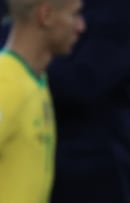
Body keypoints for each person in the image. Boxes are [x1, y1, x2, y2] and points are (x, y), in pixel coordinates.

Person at [46, 0, 130, 202]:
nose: (79, 26)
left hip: (92, 166)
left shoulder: (119, 9)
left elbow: (85, 82)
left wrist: (30, 59)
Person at [0, 0, 85, 202]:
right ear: (45, 16)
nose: (81, 26)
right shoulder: (5, 83)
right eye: (74, 15)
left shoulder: (35, 78)